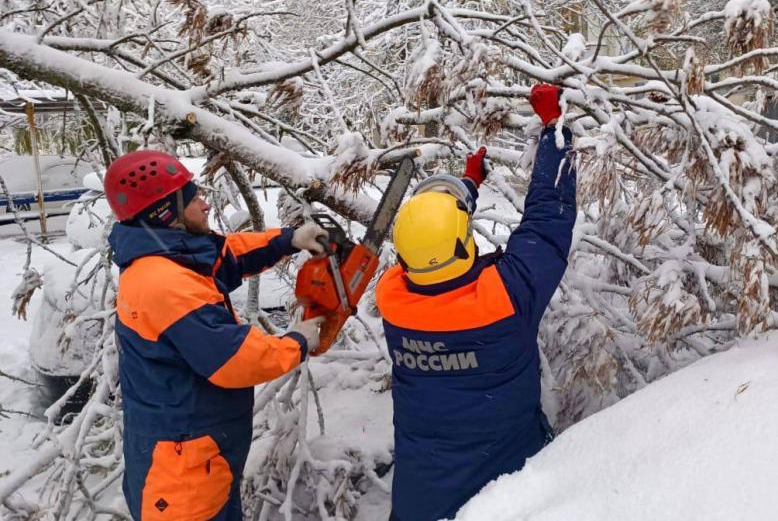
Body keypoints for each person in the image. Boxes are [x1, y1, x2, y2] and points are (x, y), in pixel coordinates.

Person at [376, 83, 577, 521]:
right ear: (465, 244)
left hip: (421, 500)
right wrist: (554, 131)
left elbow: (429, 243)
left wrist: (466, 184)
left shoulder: (393, 302)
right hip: (508, 491)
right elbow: (547, 222)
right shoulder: (507, 297)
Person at [104, 150, 327, 520]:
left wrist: (289, 240)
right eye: (193, 199)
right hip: (182, 477)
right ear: (166, 213)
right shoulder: (162, 283)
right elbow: (235, 358)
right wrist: (297, 342)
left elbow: (225, 254)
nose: (206, 204)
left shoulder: (167, 254)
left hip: (197, 457)